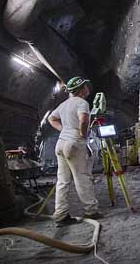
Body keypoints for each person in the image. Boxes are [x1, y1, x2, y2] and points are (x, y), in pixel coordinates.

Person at [48, 76, 100, 226]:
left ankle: (60, 215)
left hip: (61, 143)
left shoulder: (63, 105)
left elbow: (51, 119)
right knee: (82, 177)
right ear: (81, 89)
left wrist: (64, 130)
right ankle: (91, 210)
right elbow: (83, 120)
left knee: (62, 181)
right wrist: (83, 134)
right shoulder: (82, 103)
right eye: (85, 86)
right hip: (74, 144)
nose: (87, 88)